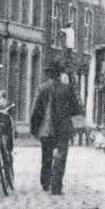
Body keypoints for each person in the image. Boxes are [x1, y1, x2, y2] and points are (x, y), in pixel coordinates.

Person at [30, 59, 82, 195]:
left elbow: (35, 110)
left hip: (46, 128)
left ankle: (45, 182)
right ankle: (56, 186)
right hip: (63, 127)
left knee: (46, 155)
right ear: (59, 74)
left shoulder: (42, 88)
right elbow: (76, 109)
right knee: (61, 155)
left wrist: (34, 128)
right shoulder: (67, 89)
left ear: (48, 74)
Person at [0, 90, 15, 154]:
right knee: (9, 133)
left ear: (0, 95)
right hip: (6, 120)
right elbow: (11, 112)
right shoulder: (9, 102)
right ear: (5, 95)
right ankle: (9, 147)